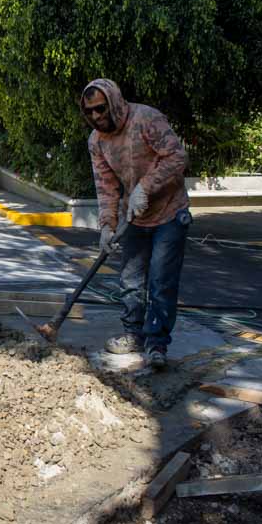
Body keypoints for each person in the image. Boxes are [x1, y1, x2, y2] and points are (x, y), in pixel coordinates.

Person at [82, 78, 190, 369]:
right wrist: (107, 225)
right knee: (130, 280)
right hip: (135, 217)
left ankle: (156, 344)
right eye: (89, 111)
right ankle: (133, 333)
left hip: (169, 212)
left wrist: (146, 186)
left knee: (160, 280)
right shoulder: (97, 141)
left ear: (114, 102)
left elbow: (177, 156)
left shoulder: (146, 119)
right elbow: (105, 187)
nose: (96, 116)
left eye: (100, 109)